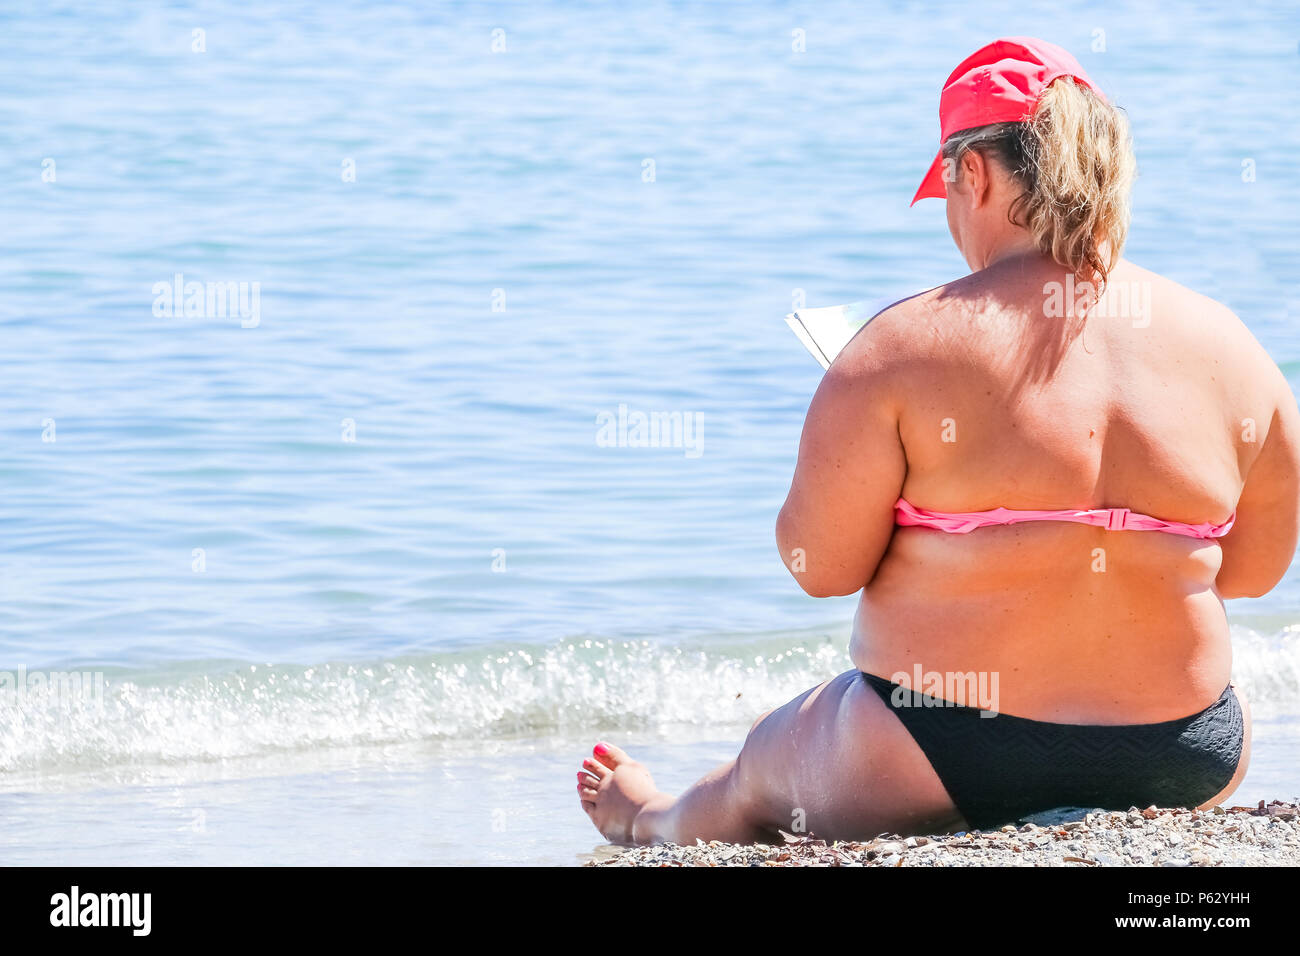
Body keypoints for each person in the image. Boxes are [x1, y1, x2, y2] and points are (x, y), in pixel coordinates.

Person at [577, 37, 1300, 844]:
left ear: (975, 174)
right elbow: (1255, 573)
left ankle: (650, 818)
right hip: (1186, 750)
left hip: (932, 747)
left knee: (761, 765)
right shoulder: (1237, 352)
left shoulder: (901, 347)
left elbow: (821, 567)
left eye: (949, 191)